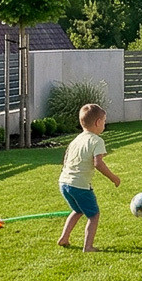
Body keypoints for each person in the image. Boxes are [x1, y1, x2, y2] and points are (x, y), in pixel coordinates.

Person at [58, 102, 119, 251]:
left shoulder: (76, 139)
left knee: (78, 210)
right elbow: (98, 163)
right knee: (94, 215)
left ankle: (64, 238)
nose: (104, 124)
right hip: (80, 185)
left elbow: (66, 158)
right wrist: (113, 178)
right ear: (98, 122)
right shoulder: (97, 141)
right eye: (104, 121)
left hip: (64, 182)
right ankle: (88, 246)